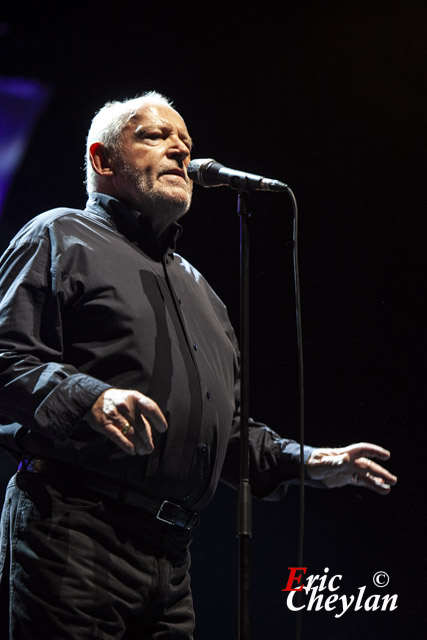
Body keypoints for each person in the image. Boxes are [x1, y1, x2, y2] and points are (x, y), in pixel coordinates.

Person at [0, 91, 397, 639]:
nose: (179, 152)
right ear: (103, 160)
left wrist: (308, 461)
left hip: (171, 559)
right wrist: (88, 396)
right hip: (73, 532)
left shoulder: (200, 291)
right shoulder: (61, 236)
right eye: (155, 137)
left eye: (185, 144)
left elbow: (224, 433)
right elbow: (6, 357)